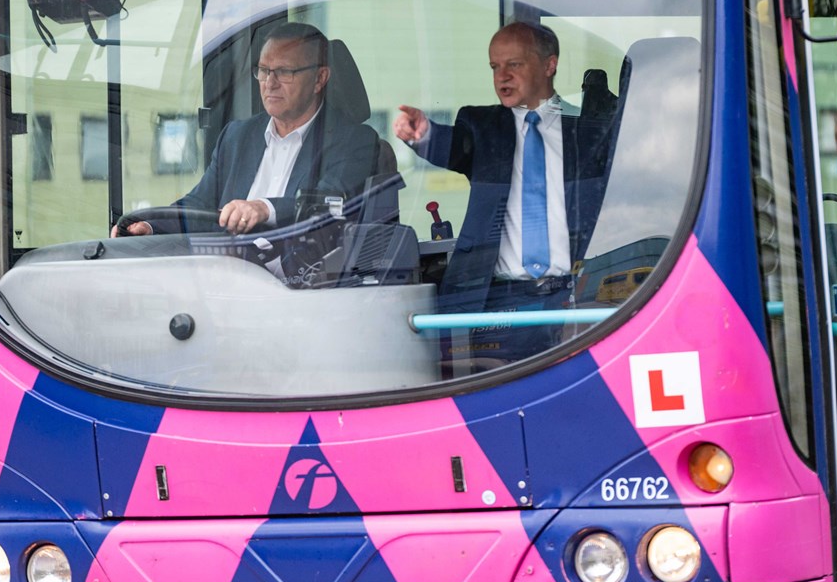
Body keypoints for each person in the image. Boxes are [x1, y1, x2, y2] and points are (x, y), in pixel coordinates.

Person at [394, 20, 613, 366]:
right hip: (496, 302)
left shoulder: (588, 133)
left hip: (574, 299)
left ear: (549, 65)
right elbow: (455, 147)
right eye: (495, 66)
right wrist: (424, 135)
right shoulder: (483, 129)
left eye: (515, 64)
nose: (502, 76)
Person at [116, 22, 380, 236]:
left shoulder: (355, 141)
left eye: (285, 71)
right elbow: (199, 205)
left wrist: (264, 209)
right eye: (264, 70)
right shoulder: (236, 136)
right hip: (229, 283)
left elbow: (327, 208)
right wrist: (150, 226)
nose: (269, 83)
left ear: (320, 78)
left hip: (302, 289)